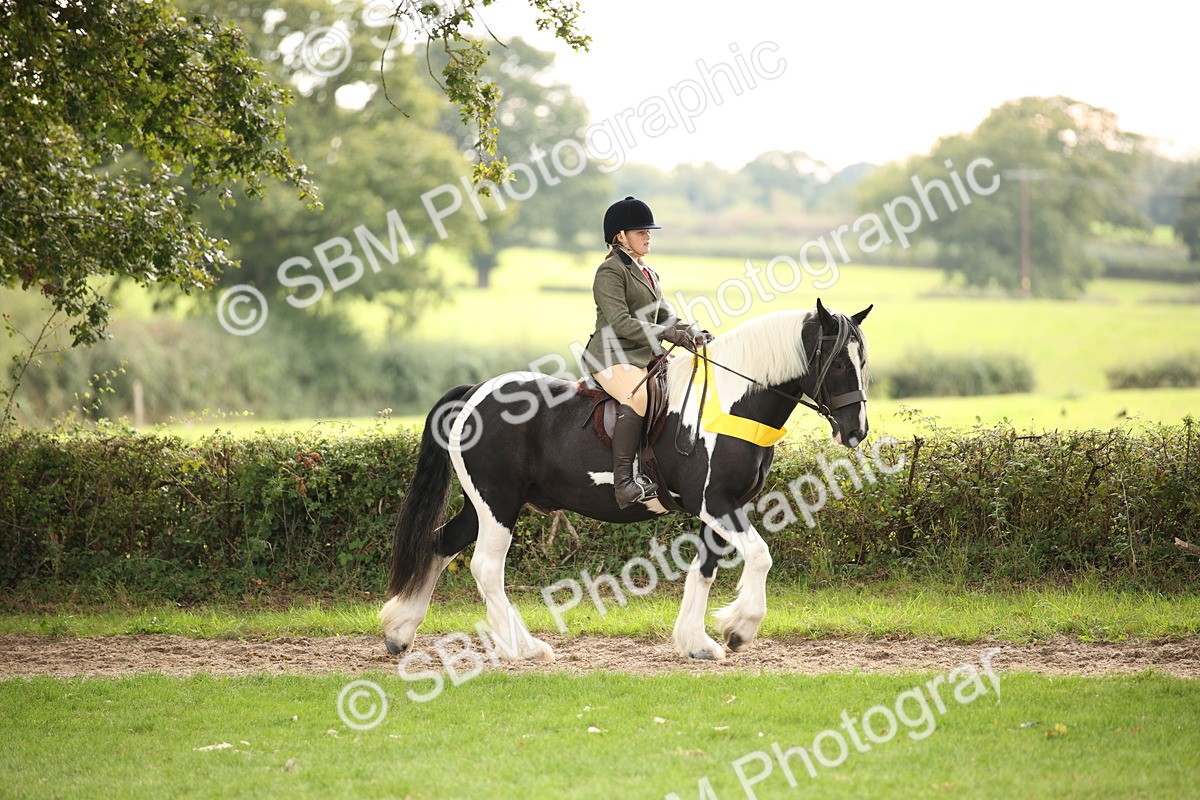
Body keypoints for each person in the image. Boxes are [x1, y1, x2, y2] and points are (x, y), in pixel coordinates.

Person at [582, 196, 711, 508]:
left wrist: (692, 333)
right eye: (641, 231)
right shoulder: (609, 271)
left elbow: (665, 316)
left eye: (648, 231)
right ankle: (624, 483)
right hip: (611, 354)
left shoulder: (649, 272)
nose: (648, 236)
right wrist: (666, 334)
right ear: (620, 236)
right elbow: (620, 322)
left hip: (643, 354)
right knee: (637, 397)